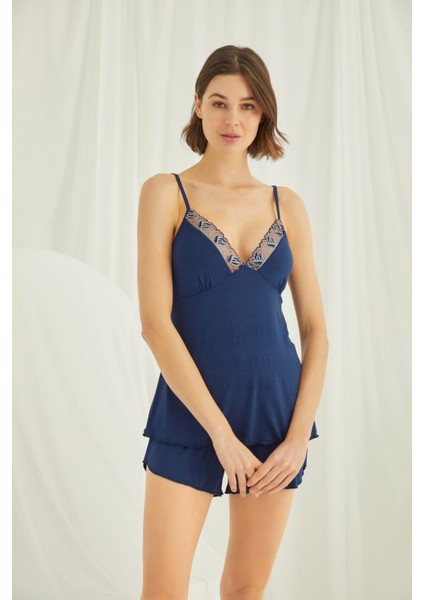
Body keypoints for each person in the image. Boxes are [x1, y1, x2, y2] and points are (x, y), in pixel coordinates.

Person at [137, 44, 329, 600]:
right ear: (198, 105)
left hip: (276, 414)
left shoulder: (287, 205)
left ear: (263, 113)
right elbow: (154, 323)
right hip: (190, 415)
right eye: (220, 103)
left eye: (248, 106)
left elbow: (315, 331)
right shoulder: (166, 193)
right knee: (163, 592)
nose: (233, 120)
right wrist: (220, 435)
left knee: (246, 588)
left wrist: (298, 437)